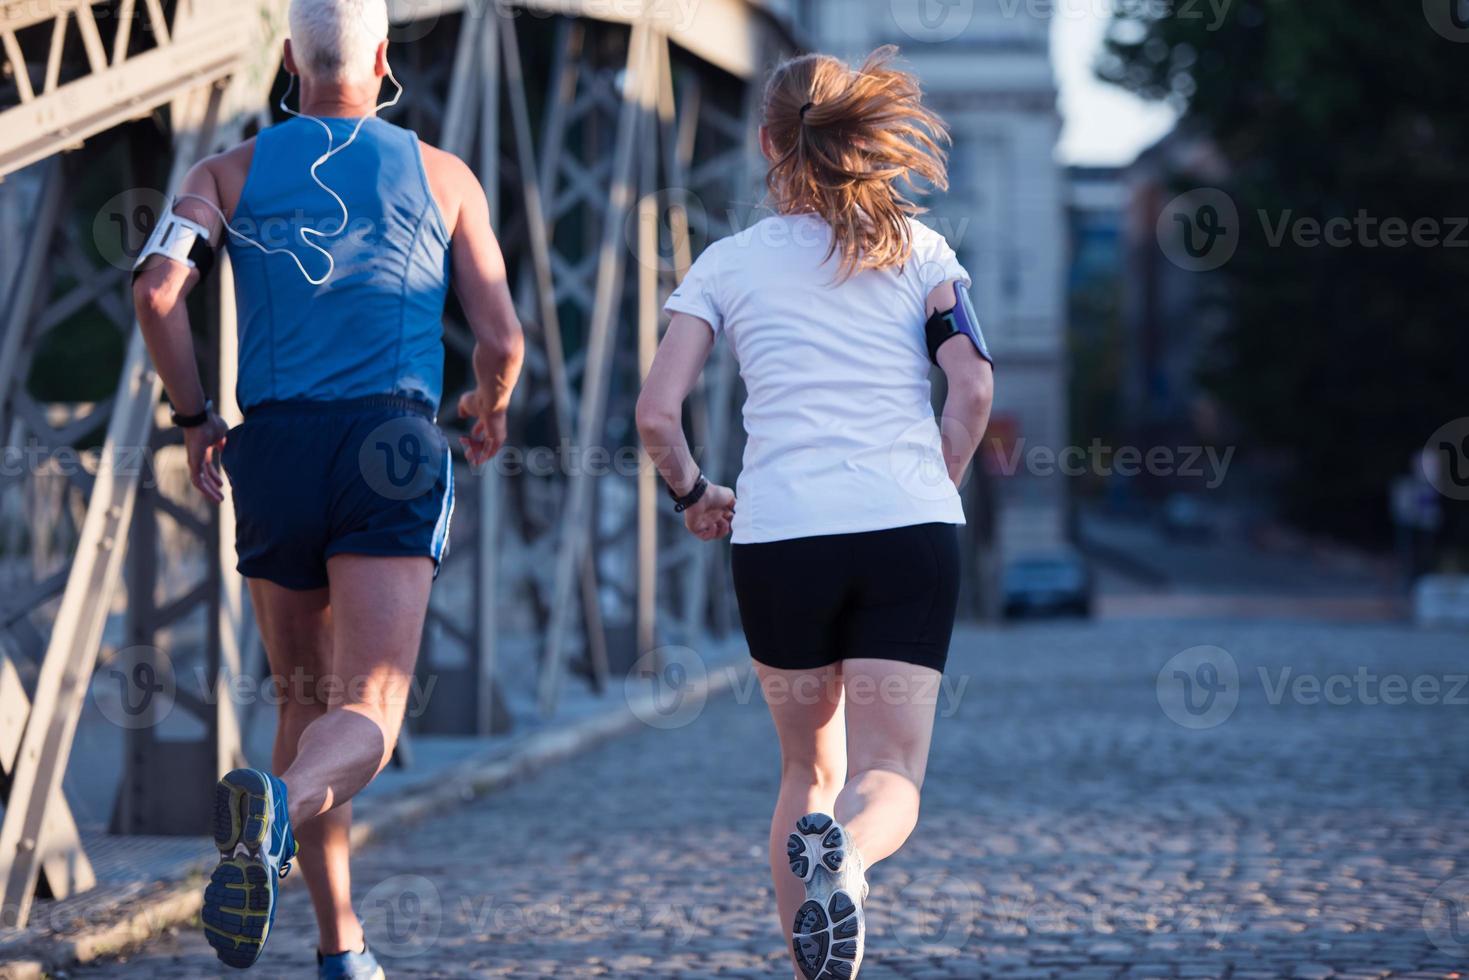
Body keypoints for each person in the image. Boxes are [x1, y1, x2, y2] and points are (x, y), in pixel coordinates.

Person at [130, 0, 524, 975]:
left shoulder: (223, 173)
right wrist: (487, 404)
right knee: (370, 712)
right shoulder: (444, 177)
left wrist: (194, 417)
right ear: (384, 59)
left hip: (270, 448)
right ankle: (270, 818)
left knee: (304, 699)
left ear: (287, 60)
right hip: (388, 442)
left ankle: (340, 945)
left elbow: (152, 292)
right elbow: (503, 338)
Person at [636, 46, 995, 980]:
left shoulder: (725, 264)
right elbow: (973, 387)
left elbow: (653, 413)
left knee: (808, 774)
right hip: (905, 528)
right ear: (861, 140)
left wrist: (692, 495)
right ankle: (853, 858)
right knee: (889, 775)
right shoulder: (918, 251)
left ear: (767, 144)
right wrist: (933, 481)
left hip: (780, 535)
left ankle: (815, 950)